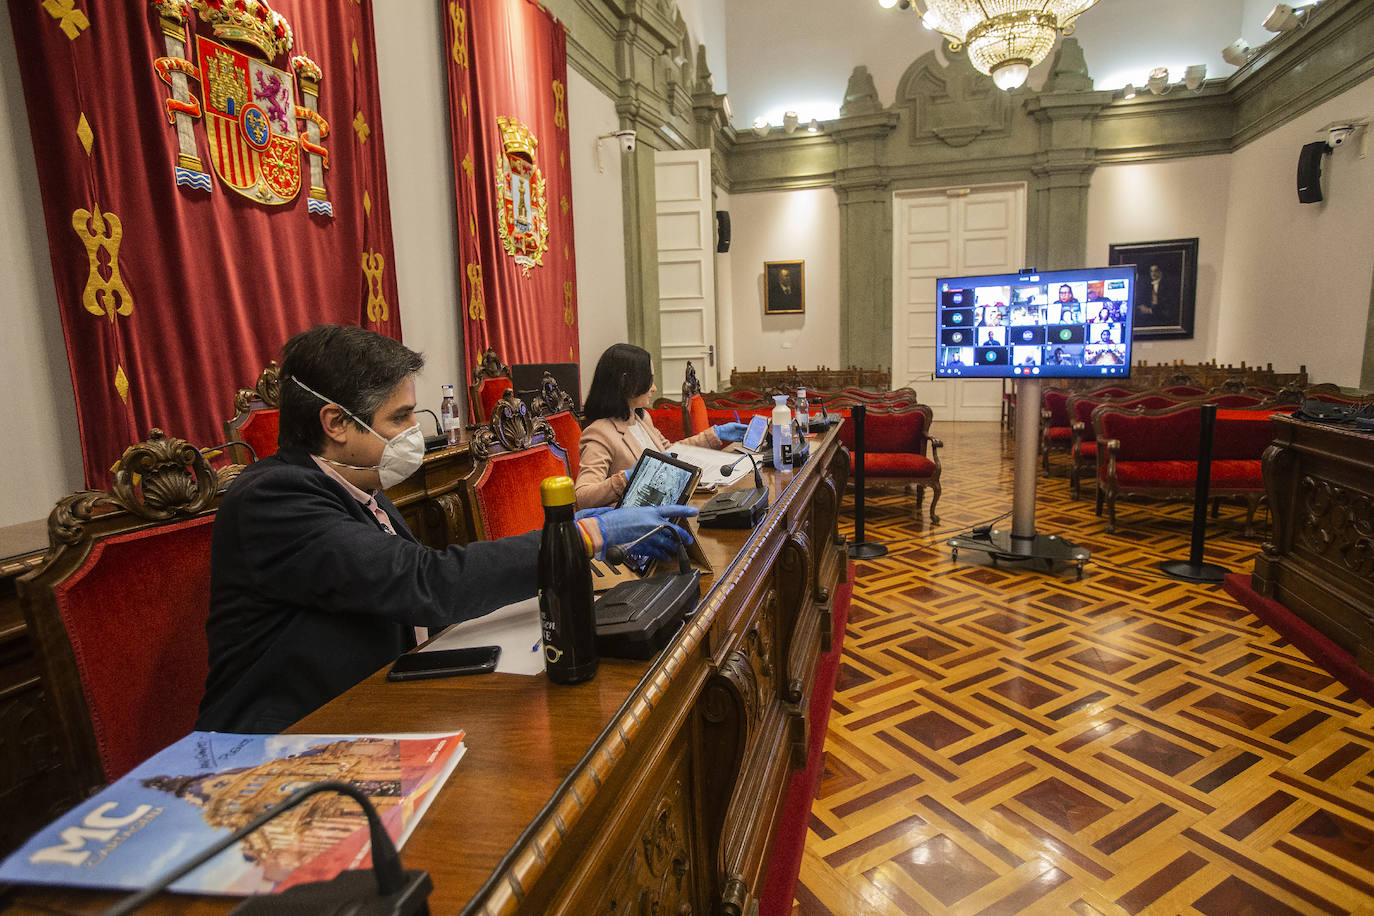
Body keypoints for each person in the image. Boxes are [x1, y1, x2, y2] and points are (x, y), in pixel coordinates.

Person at [198, 326, 695, 733]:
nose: (416, 430)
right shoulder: (274, 499)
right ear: (336, 423)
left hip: (382, 705)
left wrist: (577, 526)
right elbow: (423, 582)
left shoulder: (358, 485)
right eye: (401, 416)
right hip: (290, 740)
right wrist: (584, 538)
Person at [576, 343, 747, 508]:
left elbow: (670, 453)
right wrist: (627, 478)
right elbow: (582, 497)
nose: (654, 388)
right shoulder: (599, 433)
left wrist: (715, 434)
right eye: (649, 380)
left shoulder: (642, 418)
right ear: (625, 382)